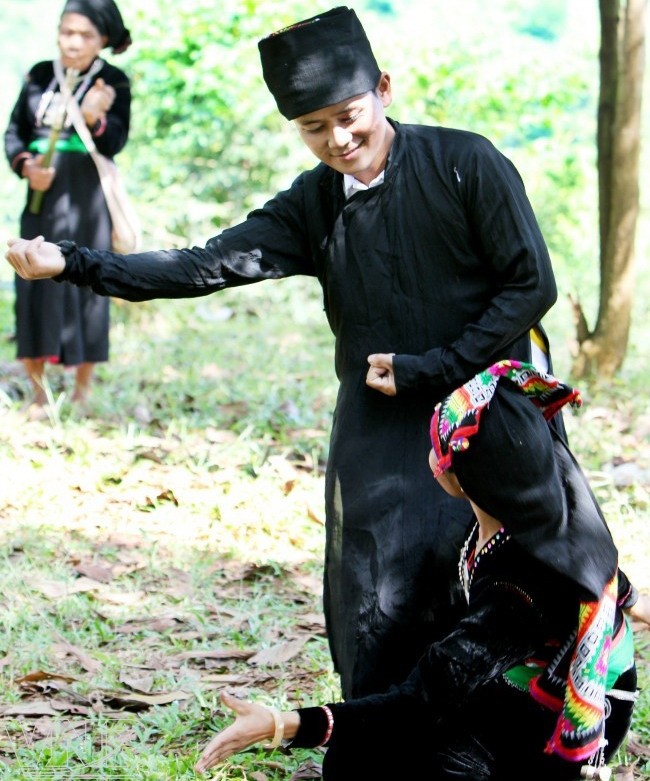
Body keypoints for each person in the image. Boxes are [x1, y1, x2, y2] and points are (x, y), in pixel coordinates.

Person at [6, 7, 560, 699]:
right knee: (376, 591)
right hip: (380, 422)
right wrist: (72, 262)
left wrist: (437, 367)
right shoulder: (313, 204)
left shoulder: (465, 162)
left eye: (349, 114)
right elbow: (201, 266)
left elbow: (531, 284)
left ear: (383, 89)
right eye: (313, 127)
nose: (339, 138)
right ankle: (381, 741)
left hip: (487, 412)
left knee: (503, 582)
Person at [194, 361, 641, 781]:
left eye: (438, 443)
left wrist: (279, 725)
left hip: (556, 714)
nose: (431, 447)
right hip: (530, 672)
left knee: (357, 762)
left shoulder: (516, 590)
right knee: (364, 746)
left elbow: (419, 704)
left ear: (464, 474)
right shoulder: (534, 491)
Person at [4, 0, 132, 419]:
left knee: (90, 279)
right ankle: (39, 394)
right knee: (32, 280)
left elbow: (115, 141)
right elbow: (15, 133)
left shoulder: (113, 81)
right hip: (42, 201)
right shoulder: (41, 75)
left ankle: (81, 391)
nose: (73, 43)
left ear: (104, 40)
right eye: (66, 32)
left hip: (87, 199)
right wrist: (26, 166)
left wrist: (95, 117)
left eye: (85, 35)